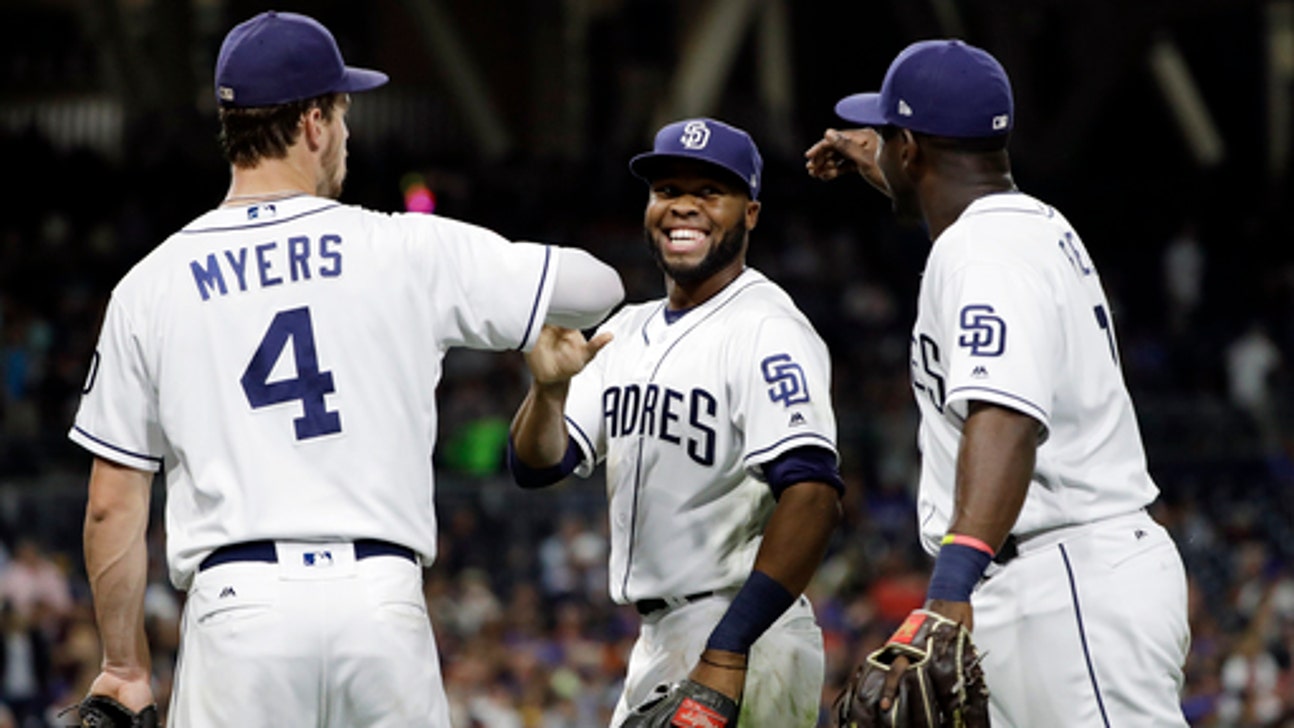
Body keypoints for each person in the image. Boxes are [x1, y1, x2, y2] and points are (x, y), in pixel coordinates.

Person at [67, 10, 623, 727]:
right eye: (342, 111)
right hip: (380, 604)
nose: (347, 132)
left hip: (240, 613)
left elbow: (112, 502)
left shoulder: (153, 282)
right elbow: (598, 286)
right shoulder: (404, 249)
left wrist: (124, 666)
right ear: (312, 124)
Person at [806, 39, 1190, 725]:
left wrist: (948, 594)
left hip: (1065, 579)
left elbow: (1006, 416)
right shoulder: (1027, 223)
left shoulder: (983, 251)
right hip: (1054, 574)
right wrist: (890, 168)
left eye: (889, 135)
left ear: (914, 148)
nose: (881, 146)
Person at [508, 117, 844, 726]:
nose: (682, 207)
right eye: (667, 191)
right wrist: (550, 390)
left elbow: (814, 494)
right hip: (663, 638)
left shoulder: (769, 330)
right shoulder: (627, 327)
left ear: (751, 213)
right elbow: (538, 466)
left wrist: (728, 647)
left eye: (709, 192)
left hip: (743, 633)